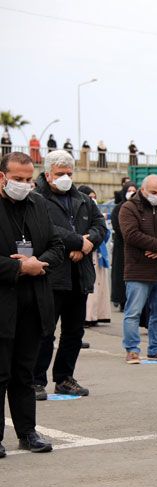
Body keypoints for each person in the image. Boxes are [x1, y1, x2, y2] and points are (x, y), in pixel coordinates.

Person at [0, 152, 66, 456]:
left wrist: (39, 262)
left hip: (33, 303)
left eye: (28, 179)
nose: (25, 185)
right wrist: (16, 268)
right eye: (18, 179)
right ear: (2, 178)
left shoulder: (38, 204)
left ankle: (27, 432)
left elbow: (56, 245)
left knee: (24, 374)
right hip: (3, 304)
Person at [32, 150, 108, 399]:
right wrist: (78, 242)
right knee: (44, 330)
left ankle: (64, 378)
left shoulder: (83, 199)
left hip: (79, 274)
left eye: (68, 173)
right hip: (51, 274)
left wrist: (88, 244)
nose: (65, 178)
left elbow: (100, 226)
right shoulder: (36, 198)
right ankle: (35, 380)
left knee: (74, 331)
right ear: (48, 174)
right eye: (60, 173)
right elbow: (45, 228)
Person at [119, 174, 157, 364]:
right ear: (143, 190)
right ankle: (132, 349)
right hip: (138, 269)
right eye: (153, 192)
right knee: (133, 312)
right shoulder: (129, 208)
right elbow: (131, 235)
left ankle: (155, 348)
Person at [79, 186, 112, 326]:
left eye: (94, 197)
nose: (93, 200)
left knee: (100, 287)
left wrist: (95, 237)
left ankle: (97, 314)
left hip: (99, 253)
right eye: (90, 197)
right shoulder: (79, 214)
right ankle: (88, 316)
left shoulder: (95, 213)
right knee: (90, 288)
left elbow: (103, 230)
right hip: (86, 253)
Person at [110, 181, 136, 311]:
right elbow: (118, 228)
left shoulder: (139, 208)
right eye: (129, 190)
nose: (132, 193)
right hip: (122, 247)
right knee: (120, 274)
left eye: (134, 190)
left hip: (135, 248)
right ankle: (121, 300)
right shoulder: (118, 208)